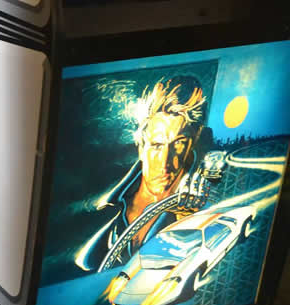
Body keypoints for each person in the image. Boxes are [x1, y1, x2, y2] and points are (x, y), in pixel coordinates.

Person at [75, 75, 207, 271]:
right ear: (141, 146)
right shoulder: (105, 204)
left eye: (178, 144)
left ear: (193, 141)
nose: (165, 162)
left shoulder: (204, 201)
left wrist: (186, 222)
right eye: (157, 145)